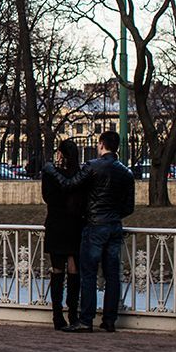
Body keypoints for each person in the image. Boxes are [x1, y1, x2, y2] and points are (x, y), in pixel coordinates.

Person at [42, 129, 136, 333]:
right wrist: (113, 215)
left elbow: (68, 184)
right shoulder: (126, 173)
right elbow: (129, 207)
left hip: (94, 225)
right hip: (114, 226)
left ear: (101, 144)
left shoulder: (93, 167)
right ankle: (109, 320)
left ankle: (86, 319)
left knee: (89, 273)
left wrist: (50, 170)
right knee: (112, 274)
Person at [41, 139, 85, 329]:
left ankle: (57, 315)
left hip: (56, 224)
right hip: (75, 224)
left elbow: (47, 197)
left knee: (57, 269)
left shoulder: (51, 174)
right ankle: (73, 314)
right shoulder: (80, 174)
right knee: (74, 268)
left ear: (60, 154)